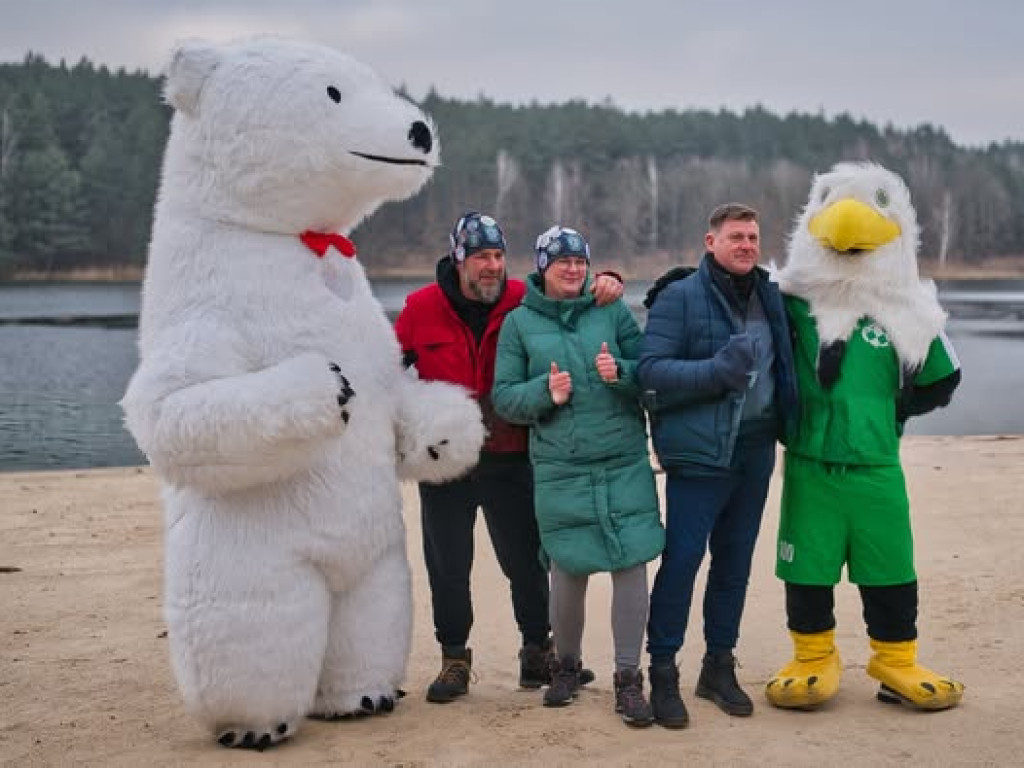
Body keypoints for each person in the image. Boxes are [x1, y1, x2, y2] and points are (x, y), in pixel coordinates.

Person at [394, 212, 623, 703]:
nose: (492, 266)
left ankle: (535, 653)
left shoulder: (523, 298)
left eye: (498, 256)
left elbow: (572, 290)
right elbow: (384, 369)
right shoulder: (419, 307)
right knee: (448, 563)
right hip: (445, 460)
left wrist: (608, 281)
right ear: (460, 258)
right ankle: (454, 658)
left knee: (526, 560)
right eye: (481, 257)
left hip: (511, 454)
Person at [492, 226, 665, 727]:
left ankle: (629, 679)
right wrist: (545, 393)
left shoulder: (611, 310)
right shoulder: (519, 324)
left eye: (579, 261)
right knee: (567, 568)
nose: (572, 269)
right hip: (561, 467)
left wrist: (623, 375)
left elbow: (647, 370)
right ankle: (565, 667)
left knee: (631, 562)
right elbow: (504, 398)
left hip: (622, 459)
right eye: (561, 261)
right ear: (542, 268)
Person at [637, 203, 798, 728]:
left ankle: (717, 668)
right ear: (711, 242)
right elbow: (649, 373)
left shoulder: (773, 296)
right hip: (701, 456)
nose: (746, 245)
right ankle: (662, 673)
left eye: (753, 236)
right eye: (736, 237)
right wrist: (715, 371)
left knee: (734, 565)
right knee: (682, 563)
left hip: (756, 452)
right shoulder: (679, 297)